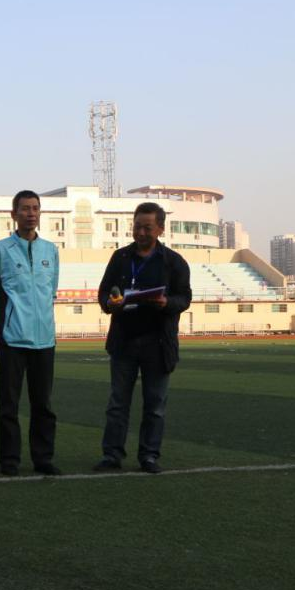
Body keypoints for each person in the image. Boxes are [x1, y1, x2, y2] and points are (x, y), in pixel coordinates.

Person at [94, 201, 192, 474]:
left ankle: (149, 456)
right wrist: (110, 303)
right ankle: (112, 455)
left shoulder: (173, 262)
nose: (140, 232)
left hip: (158, 343)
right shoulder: (120, 257)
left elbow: (185, 298)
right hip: (124, 340)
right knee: (117, 404)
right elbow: (104, 292)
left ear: (160, 228)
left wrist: (166, 302)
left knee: (155, 405)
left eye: (147, 227)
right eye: (137, 226)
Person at [0, 190, 61, 476]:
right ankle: (9, 459)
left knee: (43, 404)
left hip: (44, 340)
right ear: (14, 214)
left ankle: (43, 458)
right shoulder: (1, 250)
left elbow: (51, 291)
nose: (31, 213)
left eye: (35, 208)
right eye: (25, 208)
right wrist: (1, 325)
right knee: (9, 404)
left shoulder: (51, 250)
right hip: (12, 339)